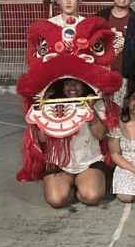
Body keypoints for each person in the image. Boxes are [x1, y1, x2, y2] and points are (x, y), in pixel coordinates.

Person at [40, 78, 109, 208]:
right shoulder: (50, 105)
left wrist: (90, 109)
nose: (72, 86)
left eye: (77, 82)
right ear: (61, 86)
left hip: (89, 162)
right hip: (59, 163)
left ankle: (81, 185)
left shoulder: (96, 103)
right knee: (56, 201)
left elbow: (100, 135)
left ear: (84, 85)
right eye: (67, 83)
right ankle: (69, 187)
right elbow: (43, 139)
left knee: (92, 197)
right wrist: (45, 109)